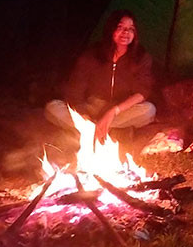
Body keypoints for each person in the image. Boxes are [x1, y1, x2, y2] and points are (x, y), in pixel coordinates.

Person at [45, 10, 156, 145]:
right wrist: (84, 116)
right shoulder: (93, 55)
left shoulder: (141, 57)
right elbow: (75, 90)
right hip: (92, 106)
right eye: (120, 28)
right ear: (111, 30)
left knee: (149, 110)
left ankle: (91, 130)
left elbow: (143, 92)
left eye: (130, 29)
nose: (126, 33)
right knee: (52, 108)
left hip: (121, 109)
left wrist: (113, 112)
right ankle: (99, 129)